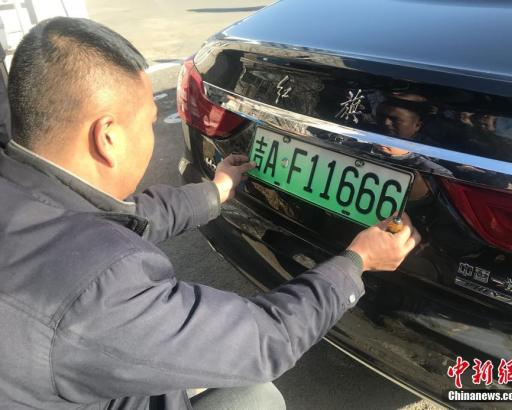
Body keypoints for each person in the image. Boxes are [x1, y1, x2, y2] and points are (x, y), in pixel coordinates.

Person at [0, 17, 420, 410]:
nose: (151, 134)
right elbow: (264, 339)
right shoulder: (101, 289)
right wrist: (357, 261)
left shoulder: (23, 191)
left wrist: (214, 193)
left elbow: (117, 217)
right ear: (107, 136)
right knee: (255, 399)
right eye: (147, 123)